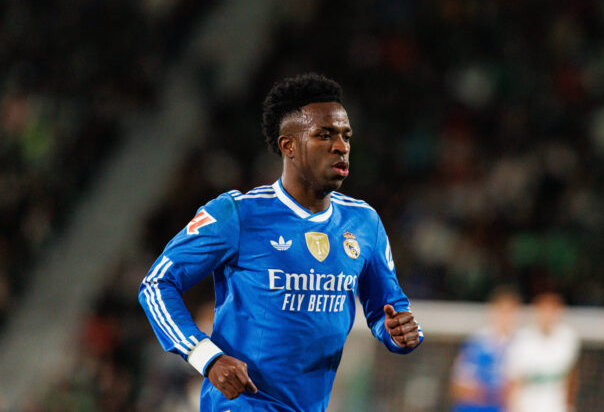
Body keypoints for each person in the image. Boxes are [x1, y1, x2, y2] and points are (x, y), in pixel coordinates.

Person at [138, 73, 423, 411]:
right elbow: (157, 284)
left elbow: (386, 309)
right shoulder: (237, 214)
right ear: (288, 146)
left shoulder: (364, 222)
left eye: (346, 136)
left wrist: (398, 331)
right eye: (324, 135)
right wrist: (206, 358)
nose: (341, 146)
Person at [450, 286, 521, 412]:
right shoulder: (476, 342)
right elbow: (458, 386)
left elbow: (514, 390)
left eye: (509, 312)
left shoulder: (520, 345)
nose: (505, 317)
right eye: (501, 311)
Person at [506, 292, 579, 412]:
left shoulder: (567, 337)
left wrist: (569, 404)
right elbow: (514, 380)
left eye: (552, 311)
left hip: (555, 406)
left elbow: (571, 377)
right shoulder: (522, 338)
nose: (548, 315)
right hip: (527, 405)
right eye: (544, 311)